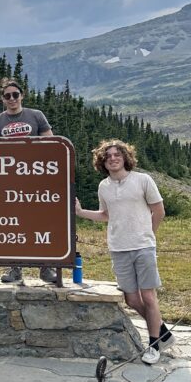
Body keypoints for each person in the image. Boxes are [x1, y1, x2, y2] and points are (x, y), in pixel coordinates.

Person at [75, 139, 174, 365]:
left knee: (148, 296)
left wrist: (150, 235)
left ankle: (154, 345)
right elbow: (105, 214)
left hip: (143, 246)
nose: (112, 158)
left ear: (125, 157)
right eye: (107, 156)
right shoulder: (104, 187)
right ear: (102, 161)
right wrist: (81, 213)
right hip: (118, 247)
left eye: (117, 154)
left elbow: (158, 210)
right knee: (131, 299)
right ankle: (163, 331)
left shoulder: (142, 180)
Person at [0, 78, 57, 285]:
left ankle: (46, 267)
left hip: (35, 179)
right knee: (11, 224)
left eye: (15, 95)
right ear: (2, 99)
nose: (12, 99)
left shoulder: (36, 115)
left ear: (22, 96)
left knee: (41, 222)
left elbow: (50, 142)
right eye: (7, 96)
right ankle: (14, 267)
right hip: (9, 182)